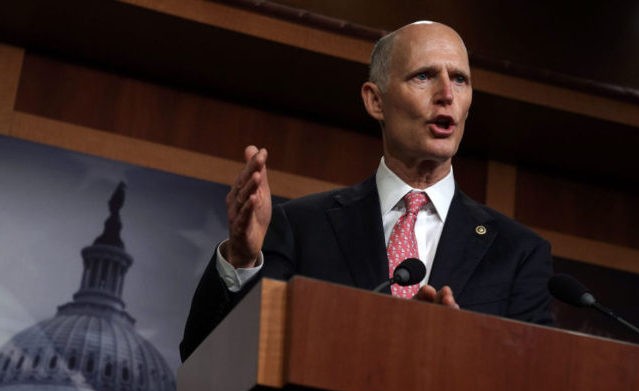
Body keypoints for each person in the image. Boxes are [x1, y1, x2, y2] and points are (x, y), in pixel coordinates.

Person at [180, 21, 553, 361]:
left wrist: (458, 346)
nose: (446, 94)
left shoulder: (516, 253)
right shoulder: (301, 227)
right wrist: (242, 260)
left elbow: (536, 384)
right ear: (375, 100)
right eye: (424, 76)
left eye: (459, 79)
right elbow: (204, 355)